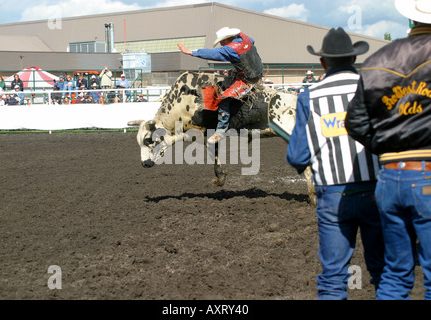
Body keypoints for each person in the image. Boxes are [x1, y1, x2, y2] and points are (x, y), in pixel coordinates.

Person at [286, 27, 385, 300]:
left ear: (322, 62)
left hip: (332, 196)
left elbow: (297, 156)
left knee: (333, 278)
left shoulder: (309, 97)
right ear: (354, 59)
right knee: (383, 272)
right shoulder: (373, 90)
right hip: (376, 191)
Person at [345, 0, 431, 300]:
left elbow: (354, 122)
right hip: (427, 175)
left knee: (396, 273)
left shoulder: (378, 58)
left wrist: (384, 145)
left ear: (410, 20)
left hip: (389, 178)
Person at [178, 26, 263, 143]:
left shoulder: (230, 49)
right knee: (225, 82)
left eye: (222, 42)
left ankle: (221, 131)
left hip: (248, 78)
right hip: (257, 69)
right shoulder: (244, 37)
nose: (221, 44)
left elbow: (212, 53)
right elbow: (252, 42)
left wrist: (190, 52)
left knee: (223, 99)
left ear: (226, 39)